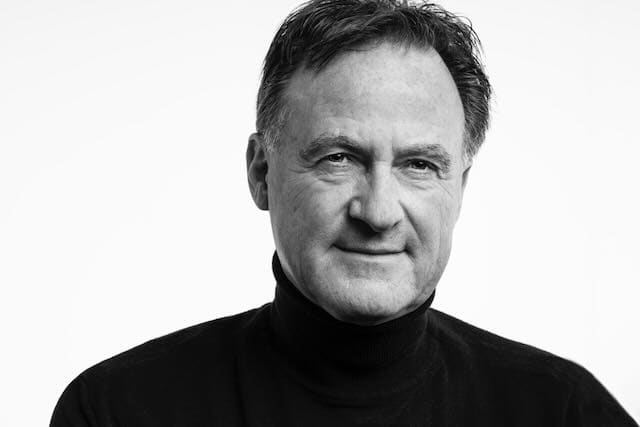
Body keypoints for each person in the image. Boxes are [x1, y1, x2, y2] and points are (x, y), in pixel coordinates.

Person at [50, 0, 638, 425]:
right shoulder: (117, 410)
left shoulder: (565, 411)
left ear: (459, 188)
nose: (378, 212)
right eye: (339, 158)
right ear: (261, 172)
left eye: (419, 165)